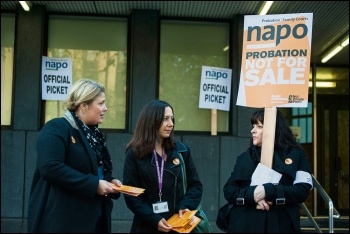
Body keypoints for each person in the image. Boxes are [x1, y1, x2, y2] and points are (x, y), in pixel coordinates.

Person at [27, 79, 123, 233]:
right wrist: (94, 185)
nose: (105, 108)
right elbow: (50, 167)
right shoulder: (57, 127)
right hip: (62, 222)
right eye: (101, 103)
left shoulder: (95, 135)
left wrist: (110, 182)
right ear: (84, 105)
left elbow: (94, 171)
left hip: (96, 221)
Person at [223, 108, 313, 233]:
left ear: (274, 129)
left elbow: (302, 190)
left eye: (259, 126)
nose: (253, 130)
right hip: (245, 224)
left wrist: (268, 191)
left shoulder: (296, 155)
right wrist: (252, 195)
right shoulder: (244, 157)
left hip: (281, 224)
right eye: (253, 126)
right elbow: (229, 190)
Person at [123, 99, 203, 233]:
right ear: (151, 121)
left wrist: (185, 205)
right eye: (165, 119)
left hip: (178, 225)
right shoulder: (134, 153)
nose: (171, 124)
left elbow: (195, 185)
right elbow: (131, 196)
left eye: (172, 119)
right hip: (147, 226)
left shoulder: (181, 151)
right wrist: (154, 219)